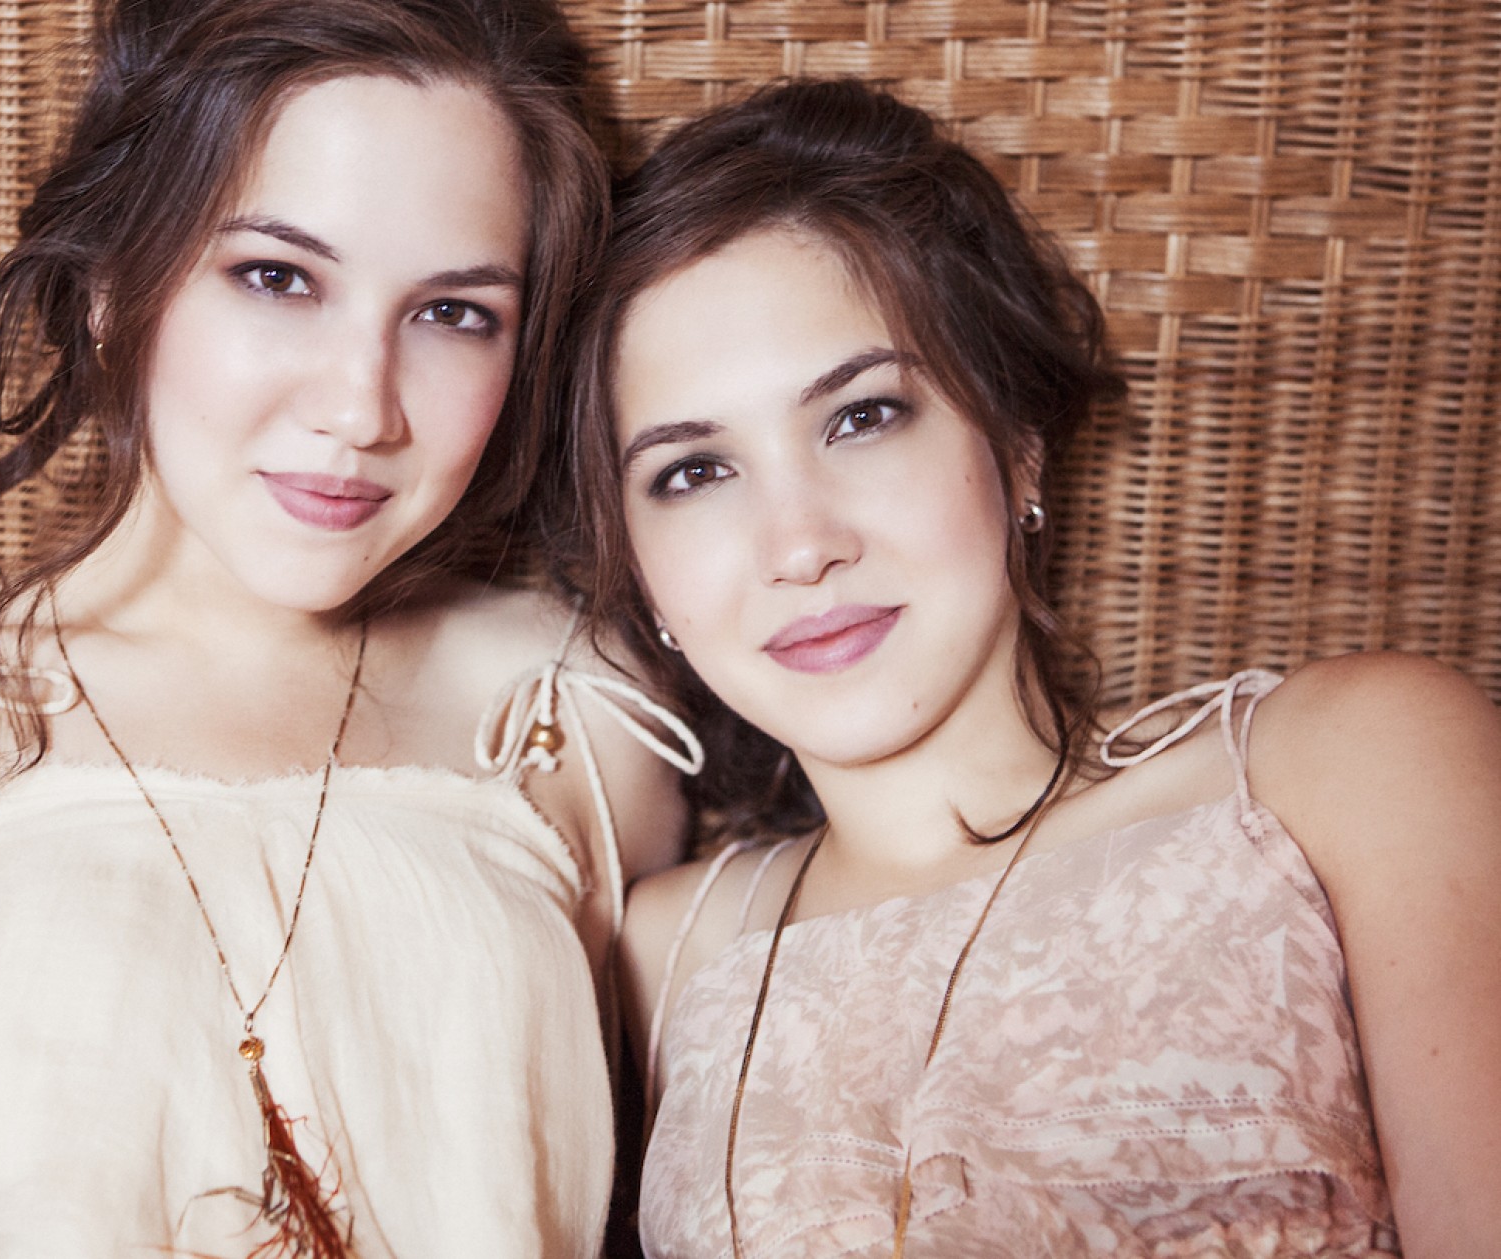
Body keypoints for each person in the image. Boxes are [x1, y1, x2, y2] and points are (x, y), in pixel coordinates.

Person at [0, 3, 695, 1256]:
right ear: (106, 288)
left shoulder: (577, 715)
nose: (361, 407)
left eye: (454, 312)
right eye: (278, 277)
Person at [557, 79, 1501, 1258]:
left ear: (1013, 446)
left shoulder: (1345, 764)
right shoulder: (661, 951)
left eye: (861, 416)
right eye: (692, 473)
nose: (799, 545)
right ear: (639, 574)